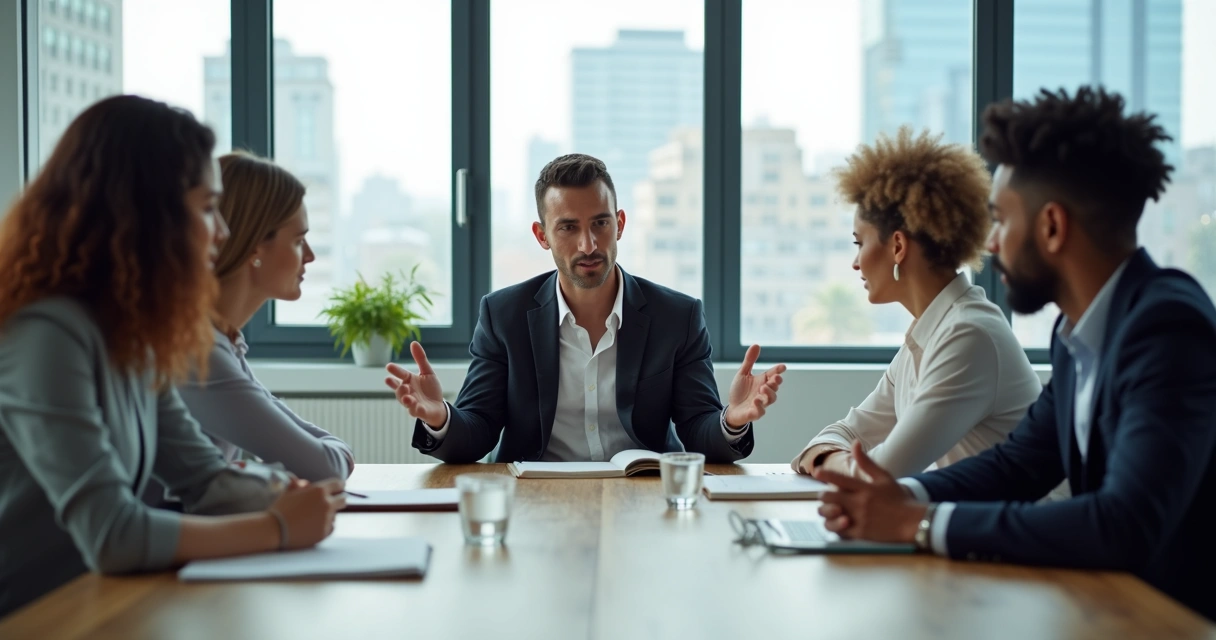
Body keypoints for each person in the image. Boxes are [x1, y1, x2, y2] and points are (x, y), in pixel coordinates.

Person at [813, 87, 1216, 621]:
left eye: (1001, 220)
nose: (991, 243)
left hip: (1165, 619)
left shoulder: (1166, 327)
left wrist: (919, 522)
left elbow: (1124, 521)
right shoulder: (1078, 333)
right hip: (1097, 605)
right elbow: (1017, 464)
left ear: (1051, 226)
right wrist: (900, 499)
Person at [0, 96, 345, 616]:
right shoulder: (46, 331)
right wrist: (276, 527)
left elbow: (205, 480)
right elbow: (111, 531)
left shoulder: (135, 336)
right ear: (141, 211)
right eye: (208, 208)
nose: (224, 233)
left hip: (103, 605)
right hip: (36, 616)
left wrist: (289, 494)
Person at [385, 153, 786, 463]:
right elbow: (478, 431)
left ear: (621, 224)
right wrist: (439, 417)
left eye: (600, 223)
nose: (588, 245)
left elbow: (700, 431)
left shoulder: (676, 317)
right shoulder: (502, 316)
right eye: (568, 227)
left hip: (644, 498)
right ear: (542, 235)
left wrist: (732, 419)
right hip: (534, 499)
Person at [791, 128, 1042, 480]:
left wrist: (824, 461)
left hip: (1017, 532)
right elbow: (845, 434)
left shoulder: (969, 335)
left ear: (897, 246)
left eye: (858, 243)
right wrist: (829, 457)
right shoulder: (926, 335)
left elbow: (878, 474)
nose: (855, 262)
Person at [176, 152, 354, 481]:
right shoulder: (200, 352)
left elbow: (321, 451)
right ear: (256, 246)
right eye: (299, 241)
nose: (311, 256)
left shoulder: (224, 341)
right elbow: (325, 466)